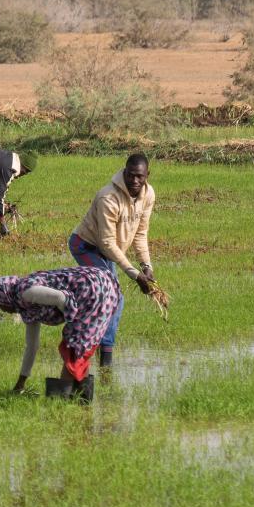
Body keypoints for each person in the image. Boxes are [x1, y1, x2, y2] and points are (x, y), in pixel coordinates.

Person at [69, 152, 156, 371]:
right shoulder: (108, 197)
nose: (134, 181)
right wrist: (133, 273)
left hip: (108, 253)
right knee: (114, 297)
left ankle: (95, 348)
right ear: (124, 172)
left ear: (147, 175)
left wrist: (146, 266)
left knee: (109, 297)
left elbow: (140, 233)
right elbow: (107, 242)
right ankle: (102, 356)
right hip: (86, 247)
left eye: (140, 176)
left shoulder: (148, 195)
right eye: (130, 175)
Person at [0, 266, 119, 395]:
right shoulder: (25, 307)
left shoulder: (25, 293)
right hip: (92, 289)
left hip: (92, 287)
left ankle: (62, 399)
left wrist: (73, 323)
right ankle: (81, 399)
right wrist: (21, 383)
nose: (2, 310)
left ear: (4, 296)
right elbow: (32, 346)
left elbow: (60, 298)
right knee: (80, 348)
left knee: (73, 346)